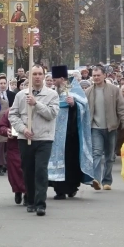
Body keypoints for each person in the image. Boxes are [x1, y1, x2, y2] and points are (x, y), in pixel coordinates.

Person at [9, 64, 59, 216]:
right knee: (28, 170)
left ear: (44, 76)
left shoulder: (52, 95)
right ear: (30, 77)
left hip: (44, 138)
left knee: (41, 171)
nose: (37, 76)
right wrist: (23, 129)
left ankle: (40, 203)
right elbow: (13, 115)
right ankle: (30, 200)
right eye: (34, 74)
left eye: (40, 74)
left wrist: (36, 103)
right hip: (26, 138)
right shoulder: (20, 95)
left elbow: (51, 114)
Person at [48, 66, 95, 199]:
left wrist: (74, 104)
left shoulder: (74, 90)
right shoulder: (54, 92)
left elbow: (84, 108)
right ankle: (59, 190)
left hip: (71, 136)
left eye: (55, 79)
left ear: (62, 79)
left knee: (70, 163)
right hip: (56, 135)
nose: (53, 82)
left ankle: (71, 187)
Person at [85, 66, 124, 190]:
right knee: (97, 153)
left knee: (110, 156)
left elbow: (121, 108)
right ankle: (96, 180)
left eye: (98, 75)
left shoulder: (114, 90)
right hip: (95, 127)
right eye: (94, 76)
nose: (96, 78)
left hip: (111, 127)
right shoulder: (88, 91)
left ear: (104, 75)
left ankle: (107, 181)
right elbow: (84, 111)